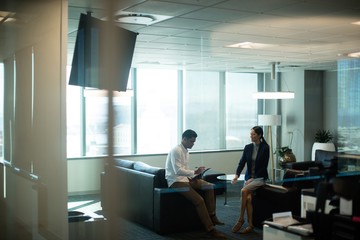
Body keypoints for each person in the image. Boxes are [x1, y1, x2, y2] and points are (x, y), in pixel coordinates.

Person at [165, 129, 227, 239]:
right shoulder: (176, 150)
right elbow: (177, 170)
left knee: (209, 186)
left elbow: (184, 169)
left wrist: (195, 174)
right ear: (184, 139)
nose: (193, 144)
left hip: (186, 178)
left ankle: (212, 215)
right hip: (175, 181)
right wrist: (195, 172)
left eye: (194, 142)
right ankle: (210, 229)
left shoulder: (186, 150)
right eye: (191, 142)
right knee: (199, 200)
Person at [231, 126, 269, 234]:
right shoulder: (248, 147)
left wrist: (254, 178)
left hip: (259, 178)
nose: (251, 136)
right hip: (248, 178)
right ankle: (251, 225)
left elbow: (264, 166)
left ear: (259, 135)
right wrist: (237, 175)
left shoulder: (265, 147)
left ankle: (241, 219)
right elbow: (242, 162)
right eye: (250, 134)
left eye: (253, 134)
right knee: (248, 199)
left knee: (243, 191)